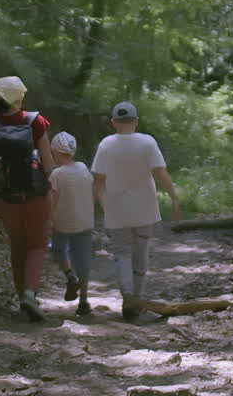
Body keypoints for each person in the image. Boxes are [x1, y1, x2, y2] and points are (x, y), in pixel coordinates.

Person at [92, 101, 181, 321]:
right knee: (141, 251)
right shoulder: (147, 142)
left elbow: (98, 181)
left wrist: (101, 204)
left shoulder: (106, 144)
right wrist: (173, 195)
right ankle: (138, 298)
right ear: (136, 121)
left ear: (113, 123)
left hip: (116, 209)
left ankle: (128, 299)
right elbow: (160, 173)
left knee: (121, 253)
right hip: (144, 209)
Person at [0, 76, 56, 322]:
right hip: (35, 194)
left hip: (5, 197)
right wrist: (55, 191)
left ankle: (21, 294)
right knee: (37, 244)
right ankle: (30, 295)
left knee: (18, 245)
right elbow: (48, 163)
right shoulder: (35, 121)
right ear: (20, 96)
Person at [47, 131, 94, 317]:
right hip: (84, 221)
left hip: (62, 223)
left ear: (56, 152)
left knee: (58, 250)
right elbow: (91, 192)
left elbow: (51, 200)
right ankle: (83, 300)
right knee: (82, 260)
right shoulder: (83, 168)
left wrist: (48, 220)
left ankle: (70, 276)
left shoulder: (56, 174)